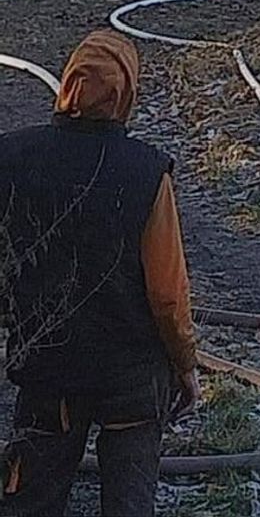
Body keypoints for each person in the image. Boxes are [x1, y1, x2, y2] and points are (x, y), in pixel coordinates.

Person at [0, 30, 199, 516]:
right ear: (126, 94)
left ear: (66, 84)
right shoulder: (148, 172)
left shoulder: (13, 158)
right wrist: (186, 366)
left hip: (48, 372)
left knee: (30, 503)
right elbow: (167, 293)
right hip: (131, 379)